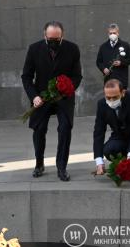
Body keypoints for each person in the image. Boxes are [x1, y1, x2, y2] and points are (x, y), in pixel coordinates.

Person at [21, 21, 83, 181]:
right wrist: (34, 96)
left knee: (64, 129)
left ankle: (61, 166)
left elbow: (77, 76)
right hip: (41, 96)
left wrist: (67, 89)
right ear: (44, 36)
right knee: (39, 129)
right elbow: (26, 76)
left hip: (64, 97)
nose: (53, 42)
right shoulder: (34, 49)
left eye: (57, 39)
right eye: (50, 39)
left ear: (62, 36)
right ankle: (39, 164)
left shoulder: (72, 49)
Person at [96, 24, 130, 89]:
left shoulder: (125, 45)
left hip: (121, 79)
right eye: (110, 33)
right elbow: (99, 61)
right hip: (108, 80)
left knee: (122, 98)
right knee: (110, 98)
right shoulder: (103, 47)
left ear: (118, 33)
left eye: (114, 33)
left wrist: (121, 62)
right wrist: (103, 69)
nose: (112, 35)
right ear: (108, 34)